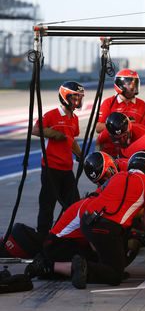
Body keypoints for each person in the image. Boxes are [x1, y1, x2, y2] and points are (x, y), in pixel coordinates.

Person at [24, 151, 119, 282]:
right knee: (102, 265)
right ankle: (48, 266)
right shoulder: (96, 202)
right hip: (58, 245)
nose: (109, 178)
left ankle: (54, 266)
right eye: (106, 176)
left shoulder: (103, 194)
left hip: (62, 243)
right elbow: (94, 237)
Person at [76, 151, 145, 288]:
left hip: (87, 220)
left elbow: (95, 197)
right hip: (107, 227)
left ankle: (98, 264)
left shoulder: (118, 176)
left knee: (115, 251)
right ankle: (84, 265)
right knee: (115, 276)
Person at [33, 81, 84, 238]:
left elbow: (71, 141)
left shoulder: (74, 119)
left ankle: (68, 235)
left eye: (79, 98)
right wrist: (52, 133)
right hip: (51, 168)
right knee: (47, 205)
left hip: (67, 169)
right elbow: (35, 130)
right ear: (64, 97)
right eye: (74, 98)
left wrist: (81, 156)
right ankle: (42, 237)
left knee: (74, 204)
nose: (77, 101)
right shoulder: (52, 114)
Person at [95, 69, 145, 154]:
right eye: (129, 83)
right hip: (111, 152)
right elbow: (98, 128)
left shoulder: (141, 104)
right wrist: (120, 126)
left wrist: (134, 127)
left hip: (135, 152)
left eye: (135, 83)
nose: (132, 86)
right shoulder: (109, 103)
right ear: (120, 85)